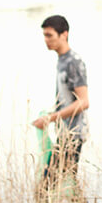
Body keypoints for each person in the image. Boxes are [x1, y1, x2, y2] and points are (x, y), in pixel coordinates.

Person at [32, 15, 90, 190]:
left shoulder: (73, 62)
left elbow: (83, 102)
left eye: (49, 35)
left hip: (73, 134)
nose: (46, 40)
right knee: (69, 183)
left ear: (64, 34)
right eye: (44, 35)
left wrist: (50, 118)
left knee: (46, 187)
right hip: (65, 132)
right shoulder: (62, 60)